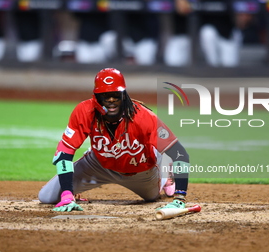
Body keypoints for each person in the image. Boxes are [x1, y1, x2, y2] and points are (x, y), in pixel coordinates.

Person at [38, 68, 190, 212]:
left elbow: (180, 154)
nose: (111, 100)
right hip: (98, 164)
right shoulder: (84, 111)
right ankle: (73, 191)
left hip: (141, 170)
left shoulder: (144, 117)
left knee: (152, 197)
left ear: (124, 95)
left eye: (116, 95)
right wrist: (67, 194)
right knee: (46, 197)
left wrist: (179, 199)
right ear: (96, 97)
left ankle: (165, 175)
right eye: (106, 95)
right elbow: (64, 153)